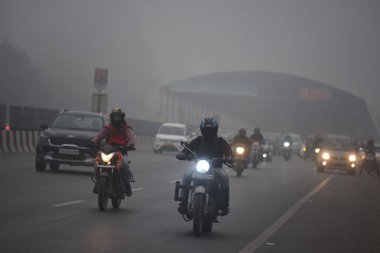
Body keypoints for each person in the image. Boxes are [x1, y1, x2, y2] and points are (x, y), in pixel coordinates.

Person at [176, 117, 234, 216]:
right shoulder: (198, 140)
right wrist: (183, 154)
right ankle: (183, 204)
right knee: (186, 176)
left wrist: (229, 157)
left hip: (216, 168)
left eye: (211, 130)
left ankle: (224, 205)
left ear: (215, 130)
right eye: (206, 130)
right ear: (202, 130)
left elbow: (228, 150)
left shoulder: (220, 141)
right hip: (199, 167)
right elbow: (188, 149)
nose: (208, 132)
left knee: (224, 178)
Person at [91, 107, 136, 196]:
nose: (116, 119)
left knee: (125, 165)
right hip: (108, 151)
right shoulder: (107, 128)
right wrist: (93, 142)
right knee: (97, 163)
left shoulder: (126, 128)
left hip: (121, 152)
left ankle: (127, 185)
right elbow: (99, 136)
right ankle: (98, 181)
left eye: (118, 117)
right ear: (112, 117)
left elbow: (132, 137)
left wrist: (131, 144)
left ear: (122, 117)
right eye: (115, 116)